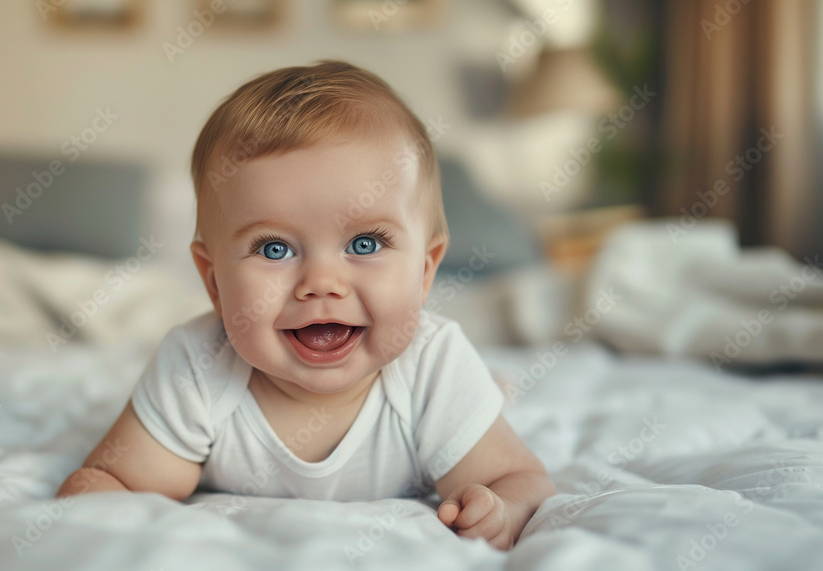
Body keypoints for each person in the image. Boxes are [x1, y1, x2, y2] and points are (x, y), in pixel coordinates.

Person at [57, 60, 556, 550]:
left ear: (425, 271)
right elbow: (110, 483)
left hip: (445, 388)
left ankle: (490, 391)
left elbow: (521, 479)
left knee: (480, 401)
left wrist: (500, 510)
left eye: (364, 244)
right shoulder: (196, 365)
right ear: (214, 282)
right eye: (275, 249)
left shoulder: (434, 366)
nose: (320, 284)